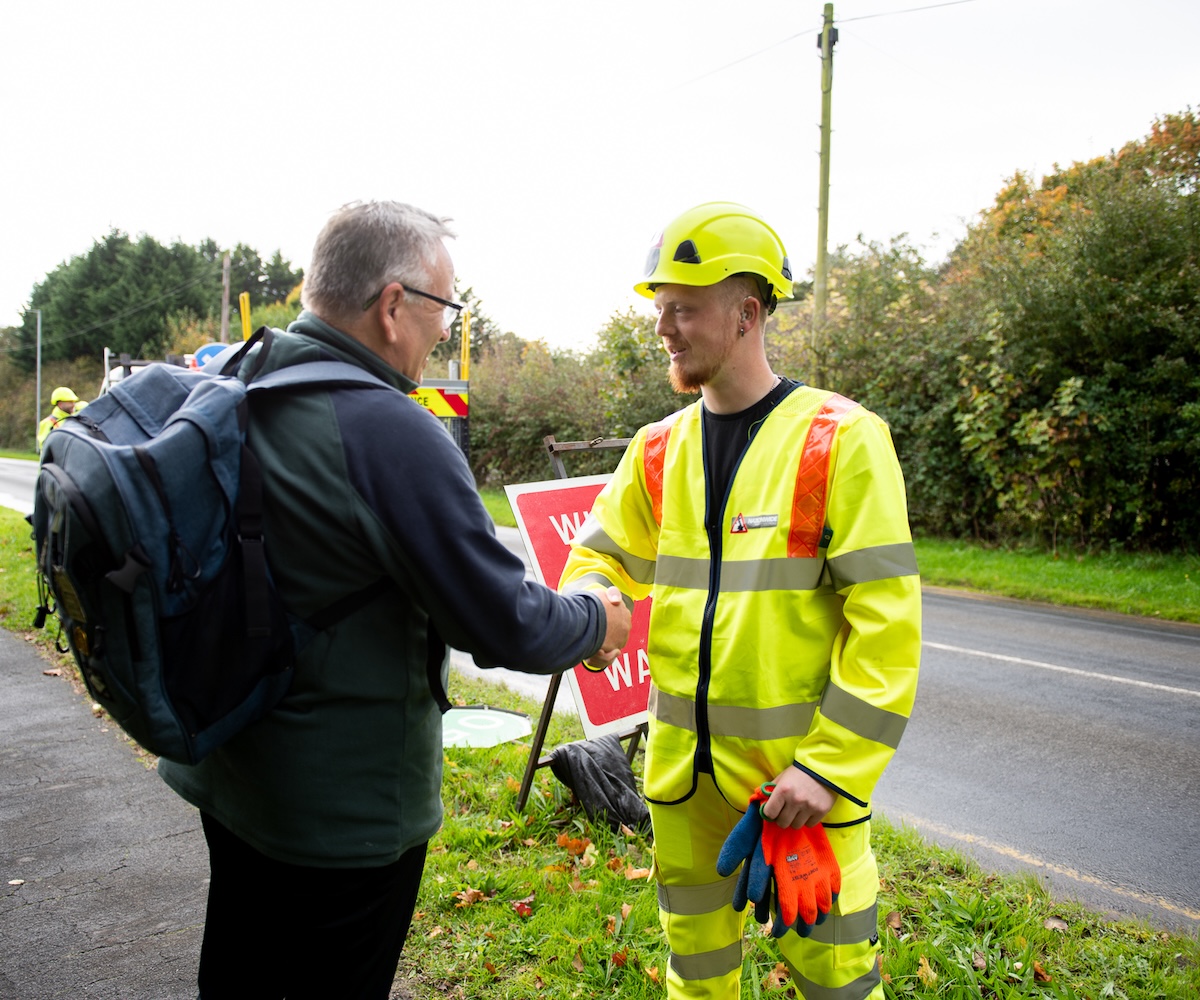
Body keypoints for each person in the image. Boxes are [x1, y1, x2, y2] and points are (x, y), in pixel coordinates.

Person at [158, 200, 631, 999]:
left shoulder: (237, 380)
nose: (445, 329)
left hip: (230, 768)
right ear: (392, 305)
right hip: (343, 809)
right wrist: (597, 618)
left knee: (240, 973)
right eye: (446, 307)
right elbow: (504, 622)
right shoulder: (389, 431)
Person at [559, 202, 921, 1000]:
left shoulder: (841, 438)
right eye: (660, 309)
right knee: (696, 975)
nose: (664, 328)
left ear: (747, 314)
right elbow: (600, 557)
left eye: (683, 309)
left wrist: (828, 771)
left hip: (797, 790)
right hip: (682, 788)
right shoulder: (658, 448)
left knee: (836, 981)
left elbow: (886, 630)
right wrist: (592, 601)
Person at [37, 386, 85, 450]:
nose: (73, 405)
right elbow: (45, 447)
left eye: (74, 402)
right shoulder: (48, 423)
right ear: (60, 404)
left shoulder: (76, 417)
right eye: (70, 402)